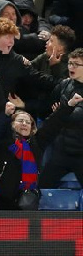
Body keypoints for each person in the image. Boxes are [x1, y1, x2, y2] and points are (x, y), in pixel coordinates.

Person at [38, 48, 83, 188]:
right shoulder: (65, 84)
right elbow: (47, 107)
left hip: (81, 153)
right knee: (41, 186)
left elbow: (77, 117)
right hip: (61, 151)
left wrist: (61, 112)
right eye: (69, 63)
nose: (71, 67)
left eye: (76, 64)